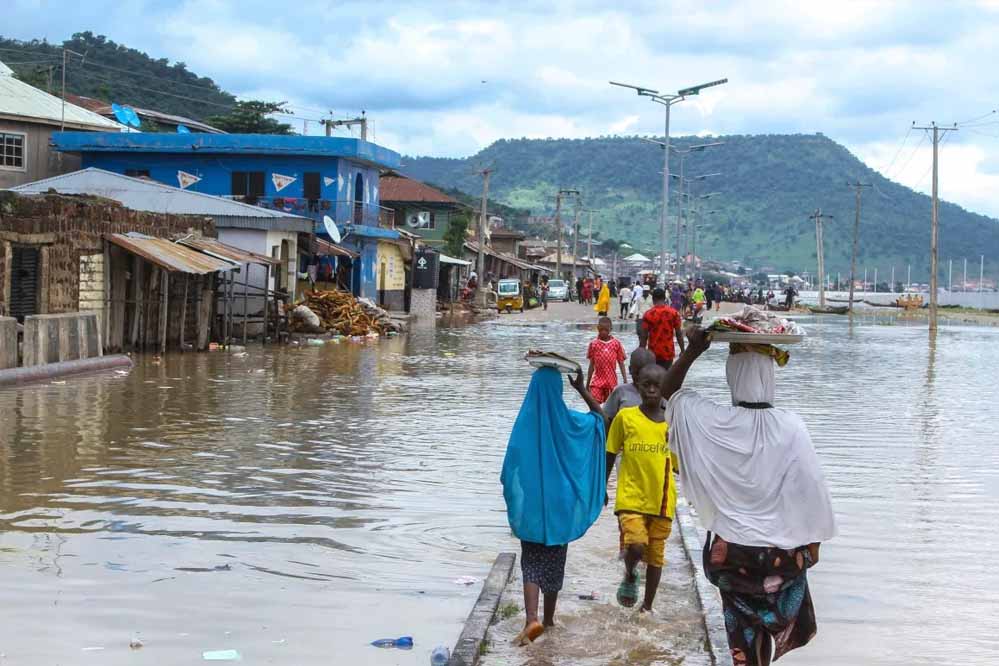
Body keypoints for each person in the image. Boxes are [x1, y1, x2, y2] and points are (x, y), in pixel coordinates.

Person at [661, 330, 837, 666]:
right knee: (768, 628)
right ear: (769, 376)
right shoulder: (791, 426)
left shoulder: (711, 421)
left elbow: (669, 394)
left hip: (731, 558)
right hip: (780, 559)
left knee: (744, 640)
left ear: (732, 375)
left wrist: (693, 351)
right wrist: (812, 547)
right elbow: (811, 487)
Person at [501, 367, 606, 645]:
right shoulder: (570, 422)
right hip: (562, 505)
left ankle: (530, 620)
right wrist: (583, 389)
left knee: (531, 563)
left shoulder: (525, 421)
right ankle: (548, 620)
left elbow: (511, 466)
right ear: (559, 391)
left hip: (534, 507)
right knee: (555, 562)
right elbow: (601, 420)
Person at [605, 364, 677, 613]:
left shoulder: (672, 424)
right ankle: (630, 571)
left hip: (662, 500)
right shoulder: (626, 418)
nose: (652, 390)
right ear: (637, 385)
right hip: (631, 498)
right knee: (636, 546)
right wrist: (602, 487)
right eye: (646, 384)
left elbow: (680, 465)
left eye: (657, 385)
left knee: (656, 556)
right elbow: (611, 452)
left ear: (665, 388)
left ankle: (647, 607)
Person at [638, 288, 685, 370]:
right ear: (664, 298)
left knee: (653, 378)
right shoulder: (673, 313)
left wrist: (641, 353)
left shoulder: (648, 314)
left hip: (652, 353)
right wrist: (682, 350)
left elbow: (644, 337)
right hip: (668, 352)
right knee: (665, 378)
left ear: (653, 299)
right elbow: (679, 334)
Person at [586, 316, 626, 403]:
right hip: (597, 381)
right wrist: (587, 384)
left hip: (611, 382)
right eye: (601, 330)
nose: (603, 332)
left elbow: (621, 363)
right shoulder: (594, 344)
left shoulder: (616, 344)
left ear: (610, 329)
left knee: (610, 408)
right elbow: (591, 365)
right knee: (594, 404)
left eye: (606, 330)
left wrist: (625, 380)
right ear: (597, 328)